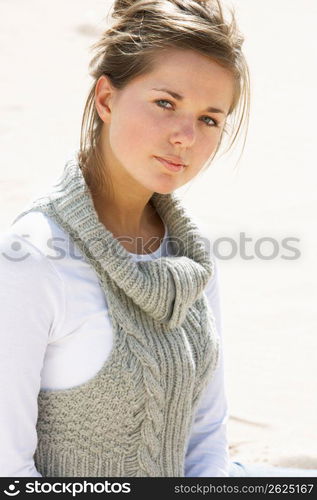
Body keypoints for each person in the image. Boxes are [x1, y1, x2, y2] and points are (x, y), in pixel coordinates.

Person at [0, 0, 316, 478]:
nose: (186, 136)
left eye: (210, 119)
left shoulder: (193, 257)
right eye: (165, 103)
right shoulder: (33, 257)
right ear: (106, 99)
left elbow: (207, 444)